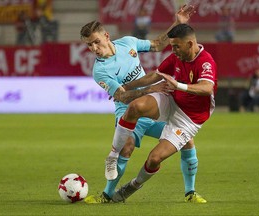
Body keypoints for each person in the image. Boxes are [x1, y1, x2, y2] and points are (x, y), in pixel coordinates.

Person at [80, 5, 205, 204]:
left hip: (152, 104)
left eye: (96, 42)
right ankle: (107, 195)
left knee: (186, 139)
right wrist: (150, 89)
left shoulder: (128, 43)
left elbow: (156, 45)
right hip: (130, 111)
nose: (94, 49)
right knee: (126, 148)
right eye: (89, 45)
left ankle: (190, 192)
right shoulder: (100, 70)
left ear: (106, 36)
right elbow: (122, 96)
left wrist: (178, 23)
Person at [109, 23, 217, 203]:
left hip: (188, 119)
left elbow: (207, 88)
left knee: (154, 159)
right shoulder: (177, 56)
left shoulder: (205, 61)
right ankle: (113, 155)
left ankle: (134, 185)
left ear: (190, 44)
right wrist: (126, 87)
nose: (173, 50)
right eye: (172, 46)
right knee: (135, 107)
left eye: (176, 46)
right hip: (171, 100)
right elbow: (156, 75)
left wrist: (178, 85)